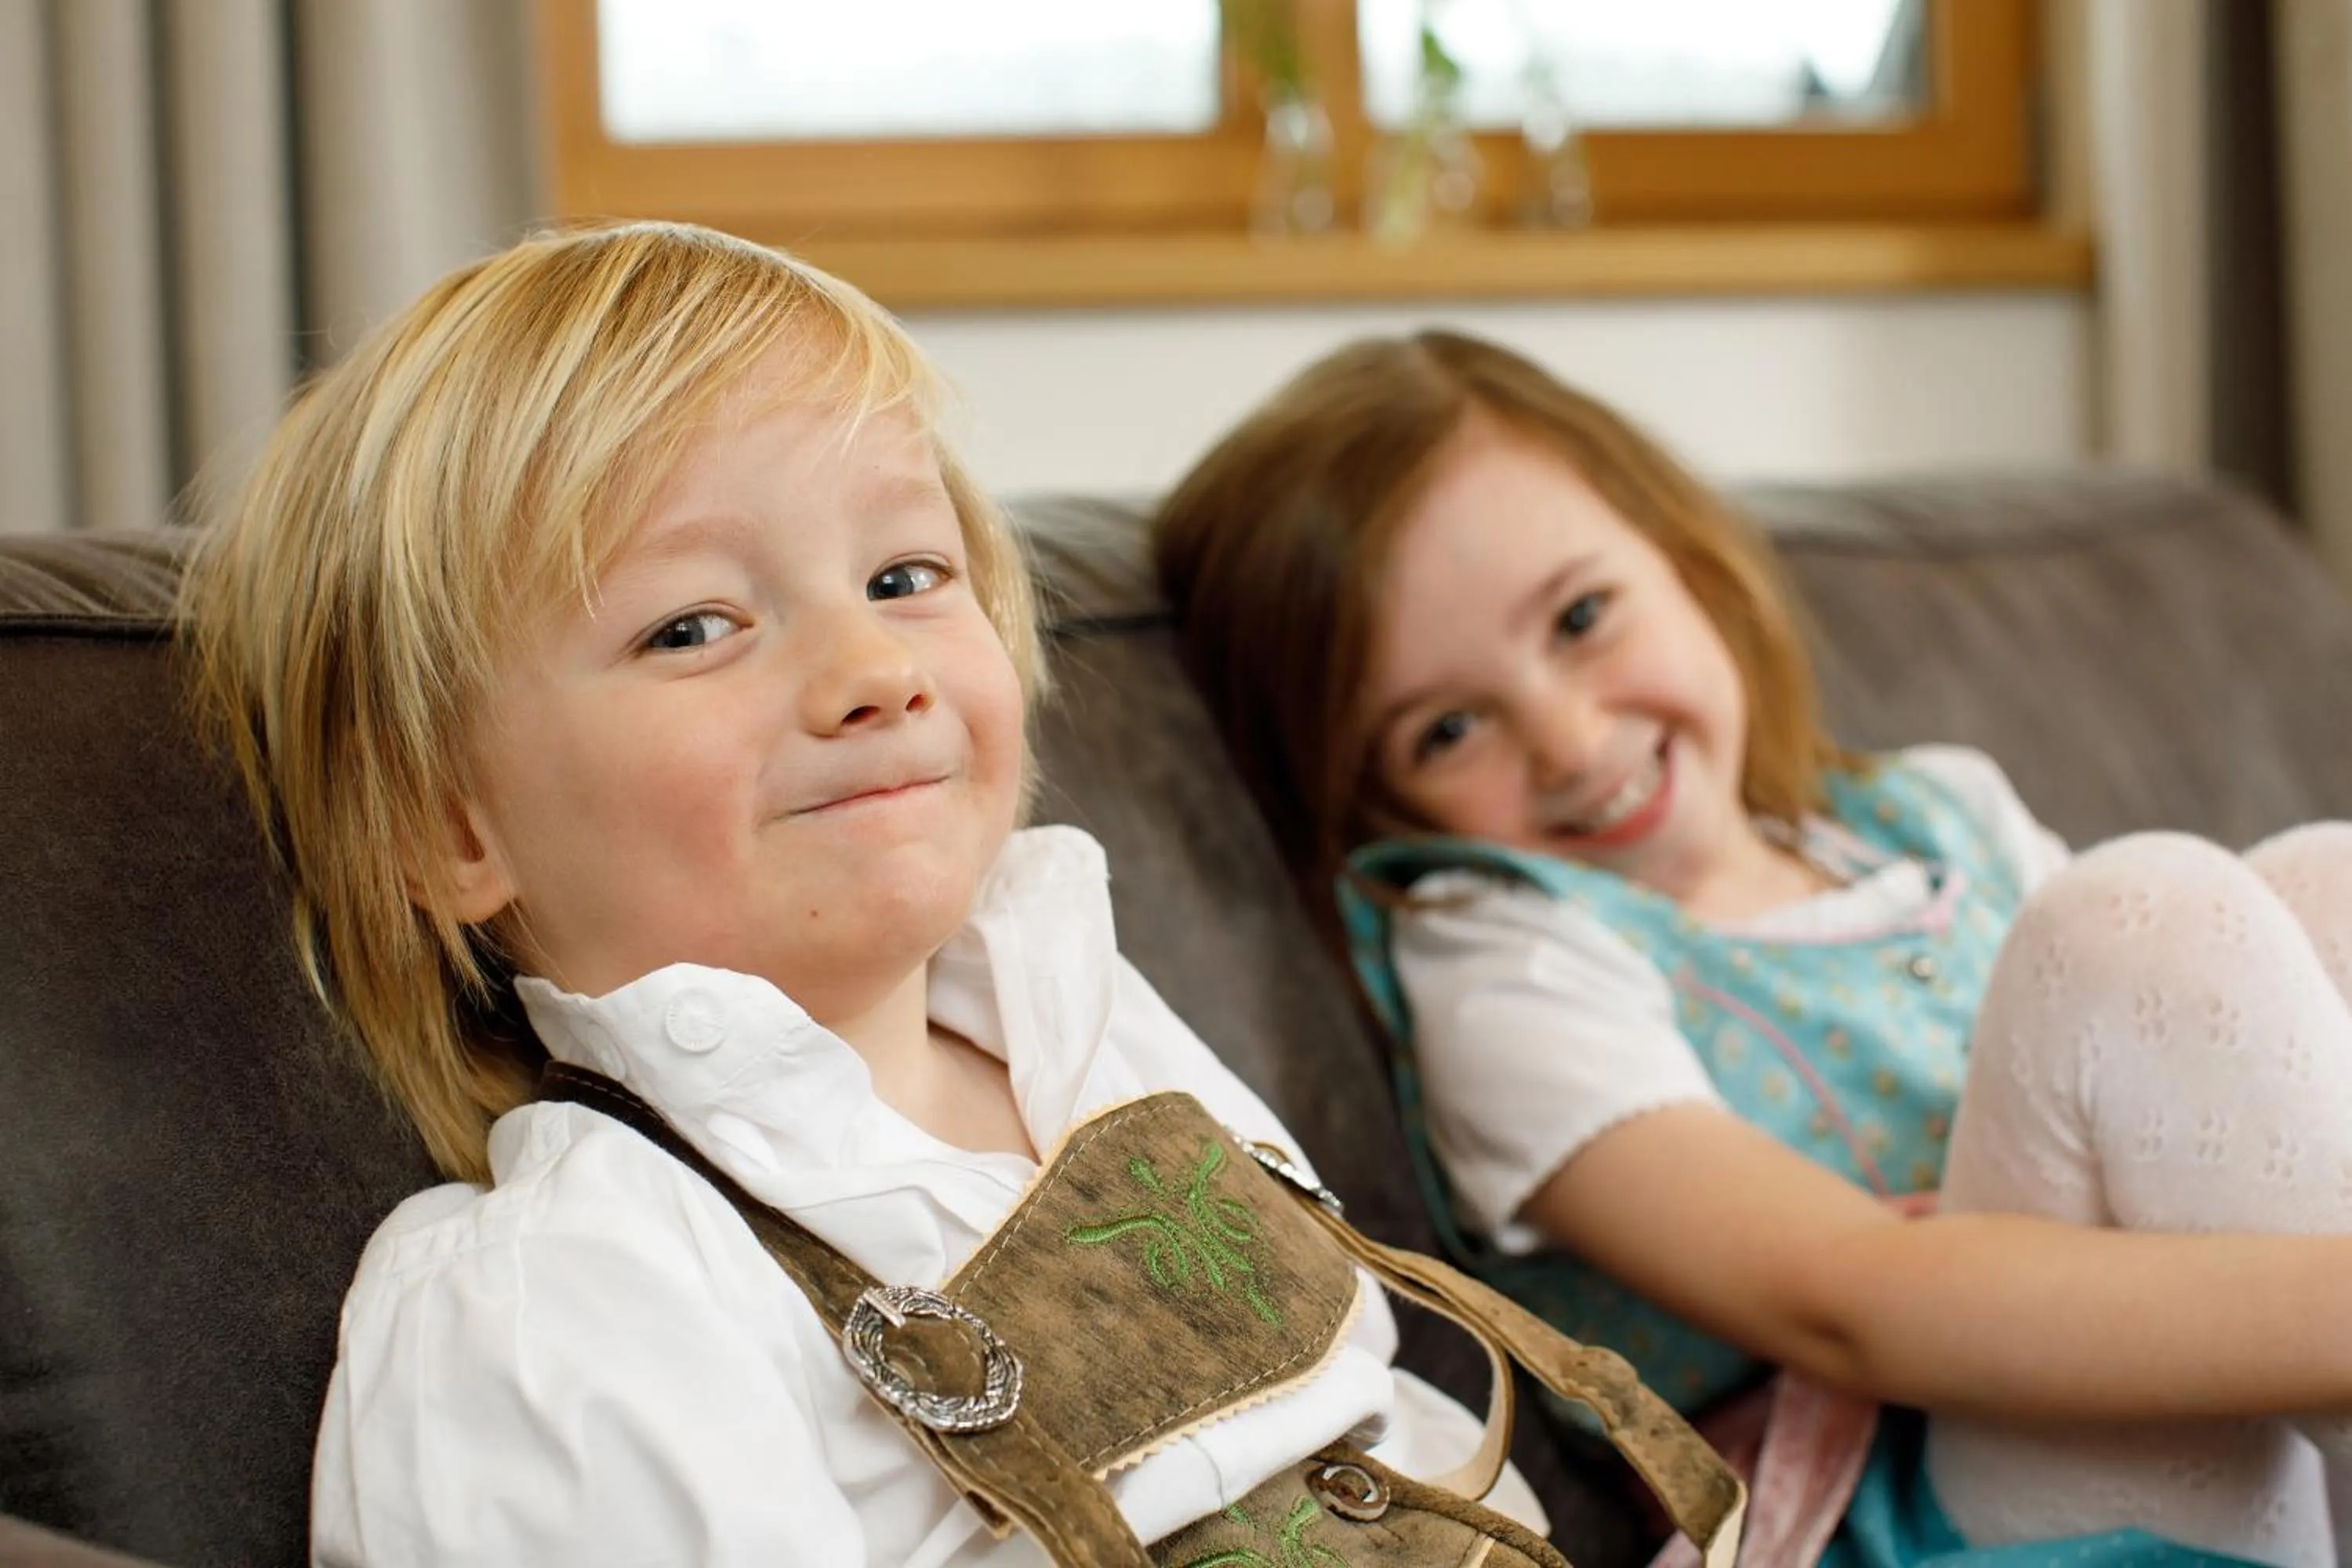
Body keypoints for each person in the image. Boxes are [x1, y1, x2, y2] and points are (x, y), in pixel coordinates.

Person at [177, 227, 1742, 1568]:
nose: (870, 671)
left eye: (905, 577)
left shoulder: (1089, 1024)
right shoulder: (550, 1300)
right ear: (452, 822)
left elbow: (1381, 1413)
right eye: (694, 625)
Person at [1152, 327, 2352, 1568]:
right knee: (2133, 916)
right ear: (1370, 803)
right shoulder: (1506, 962)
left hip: (2211, 1431)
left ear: (1692, 566)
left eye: (1580, 616)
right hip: (1908, 1503)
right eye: (1448, 729)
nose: (1567, 741)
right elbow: (1852, 1305)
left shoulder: (1932, 816)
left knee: (2320, 885)